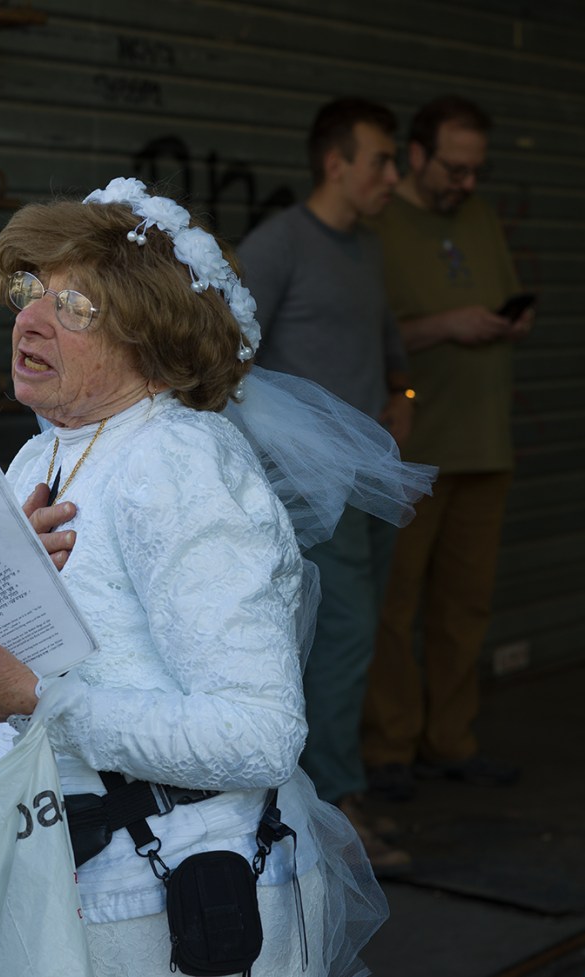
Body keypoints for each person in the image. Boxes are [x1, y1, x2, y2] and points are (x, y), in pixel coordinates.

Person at [0, 177, 431, 977]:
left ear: (155, 348)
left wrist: (32, 698)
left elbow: (259, 735)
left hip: (175, 906)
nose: (27, 320)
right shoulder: (40, 453)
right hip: (59, 880)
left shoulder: (178, 463)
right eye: (31, 293)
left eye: (73, 307)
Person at [237, 98, 419, 871]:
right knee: (340, 637)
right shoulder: (277, 244)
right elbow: (222, 347)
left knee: (359, 631)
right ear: (335, 162)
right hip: (309, 490)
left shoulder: (367, 248)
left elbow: (386, 344)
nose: (392, 173)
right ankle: (335, 811)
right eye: (380, 159)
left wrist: (401, 399)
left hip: (369, 475)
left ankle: (326, 800)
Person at [362, 95, 532, 802]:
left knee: (464, 607)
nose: (465, 183)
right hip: (411, 450)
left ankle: (451, 740)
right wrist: (445, 326)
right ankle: (388, 747)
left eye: (474, 170)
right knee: (391, 607)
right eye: (453, 169)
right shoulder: (375, 224)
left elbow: (498, 290)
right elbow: (368, 332)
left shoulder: (478, 217)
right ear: (415, 155)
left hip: (483, 441)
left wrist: (505, 320)